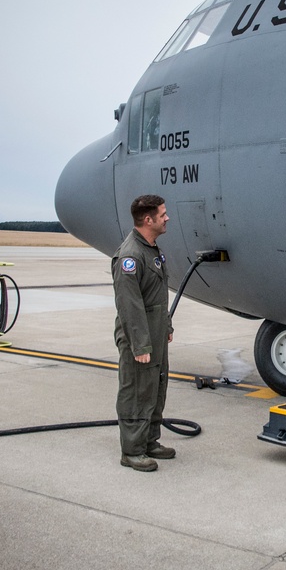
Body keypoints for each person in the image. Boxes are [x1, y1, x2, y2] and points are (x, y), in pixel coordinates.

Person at [112, 194, 174, 472]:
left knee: (156, 387)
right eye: (162, 214)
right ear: (148, 220)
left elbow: (157, 295)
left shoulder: (151, 248)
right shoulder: (130, 256)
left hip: (156, 332)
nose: (167, 217)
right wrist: (140, 346)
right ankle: (132, 451)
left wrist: (167, 327)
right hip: (140, 337)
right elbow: (129, 306)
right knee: (137, 391)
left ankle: (149, 441)